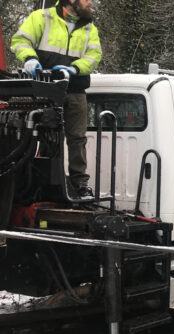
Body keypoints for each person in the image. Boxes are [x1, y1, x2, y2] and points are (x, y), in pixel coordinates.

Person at [11, 0, 102, 199]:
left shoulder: (89, 27)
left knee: (77, 138)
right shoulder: (42, 17)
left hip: (75, 89)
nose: (90, 2)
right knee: (45, 134)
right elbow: (20, 41)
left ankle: (80, 184)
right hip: (46, 88)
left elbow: (94, 56)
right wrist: (29, 58)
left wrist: (75, 68)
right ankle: (44, 181)